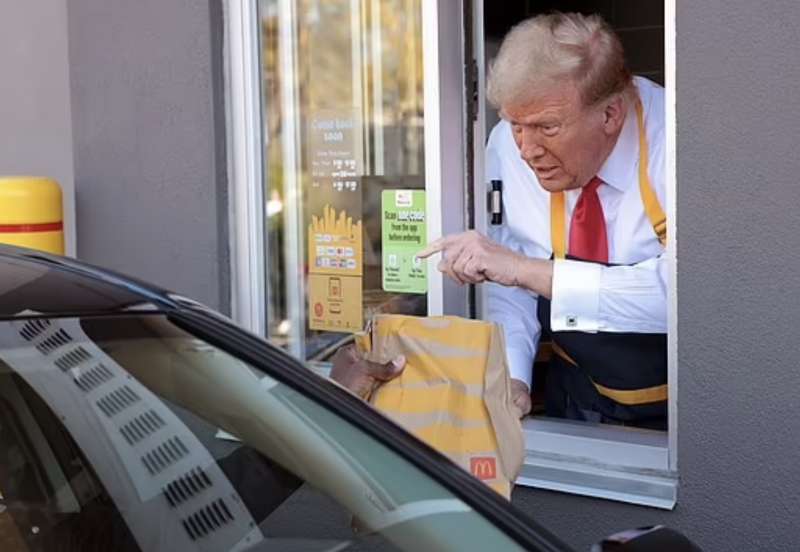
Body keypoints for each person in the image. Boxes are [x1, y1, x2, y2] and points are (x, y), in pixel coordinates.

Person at [417, 12, 668, 429]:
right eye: (516, 125)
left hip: (684, 409)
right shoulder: (506, 146)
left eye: (547, 127)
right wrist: (513, 375)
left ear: (610, 115)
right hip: (577, 394)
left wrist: (524, 269)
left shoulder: (676, 142)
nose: (527, 150)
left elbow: (688, 297)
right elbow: (508, 278)